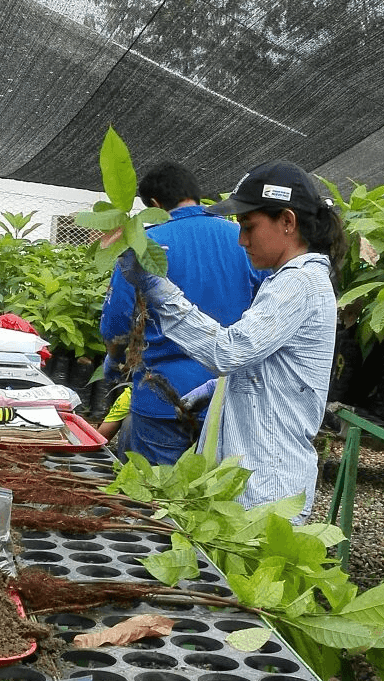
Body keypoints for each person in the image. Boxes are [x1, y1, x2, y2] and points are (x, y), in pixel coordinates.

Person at [118, 159, 347, 521]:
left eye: (249, 226)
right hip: (258, 479)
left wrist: (158, 289)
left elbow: (229, 350)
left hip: (266, 489)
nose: (241, 239)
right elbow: (268, 361)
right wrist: (216, 387)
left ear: (287, 222)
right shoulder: (287, 279)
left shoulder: (298, 284)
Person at [100, 161, 266, 464]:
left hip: (162, 394)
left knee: (153, 498)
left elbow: (117, 325)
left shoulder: (145, 244)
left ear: (155, 204)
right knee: (216, 493)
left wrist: (114, 360)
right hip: (231, 397)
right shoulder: (246, 241)